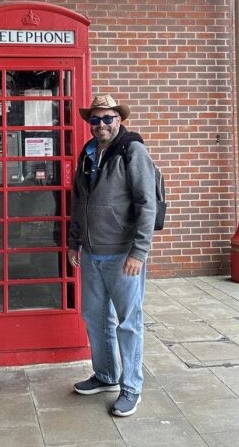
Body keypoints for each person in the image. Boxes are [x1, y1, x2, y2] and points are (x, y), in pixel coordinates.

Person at [68, 94, 156, 417]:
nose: (101, 124)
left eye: (107, 118)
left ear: (119, 119)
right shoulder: (88, 153)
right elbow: (79, 202)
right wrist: (73, 242)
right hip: (91, 253)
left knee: (128, 322)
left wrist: (139, 250)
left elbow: (148, 204)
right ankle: (106, 375)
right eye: (95, 119)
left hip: (123, 255)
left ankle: (131, 387)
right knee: (94, 316)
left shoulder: (132, 150)